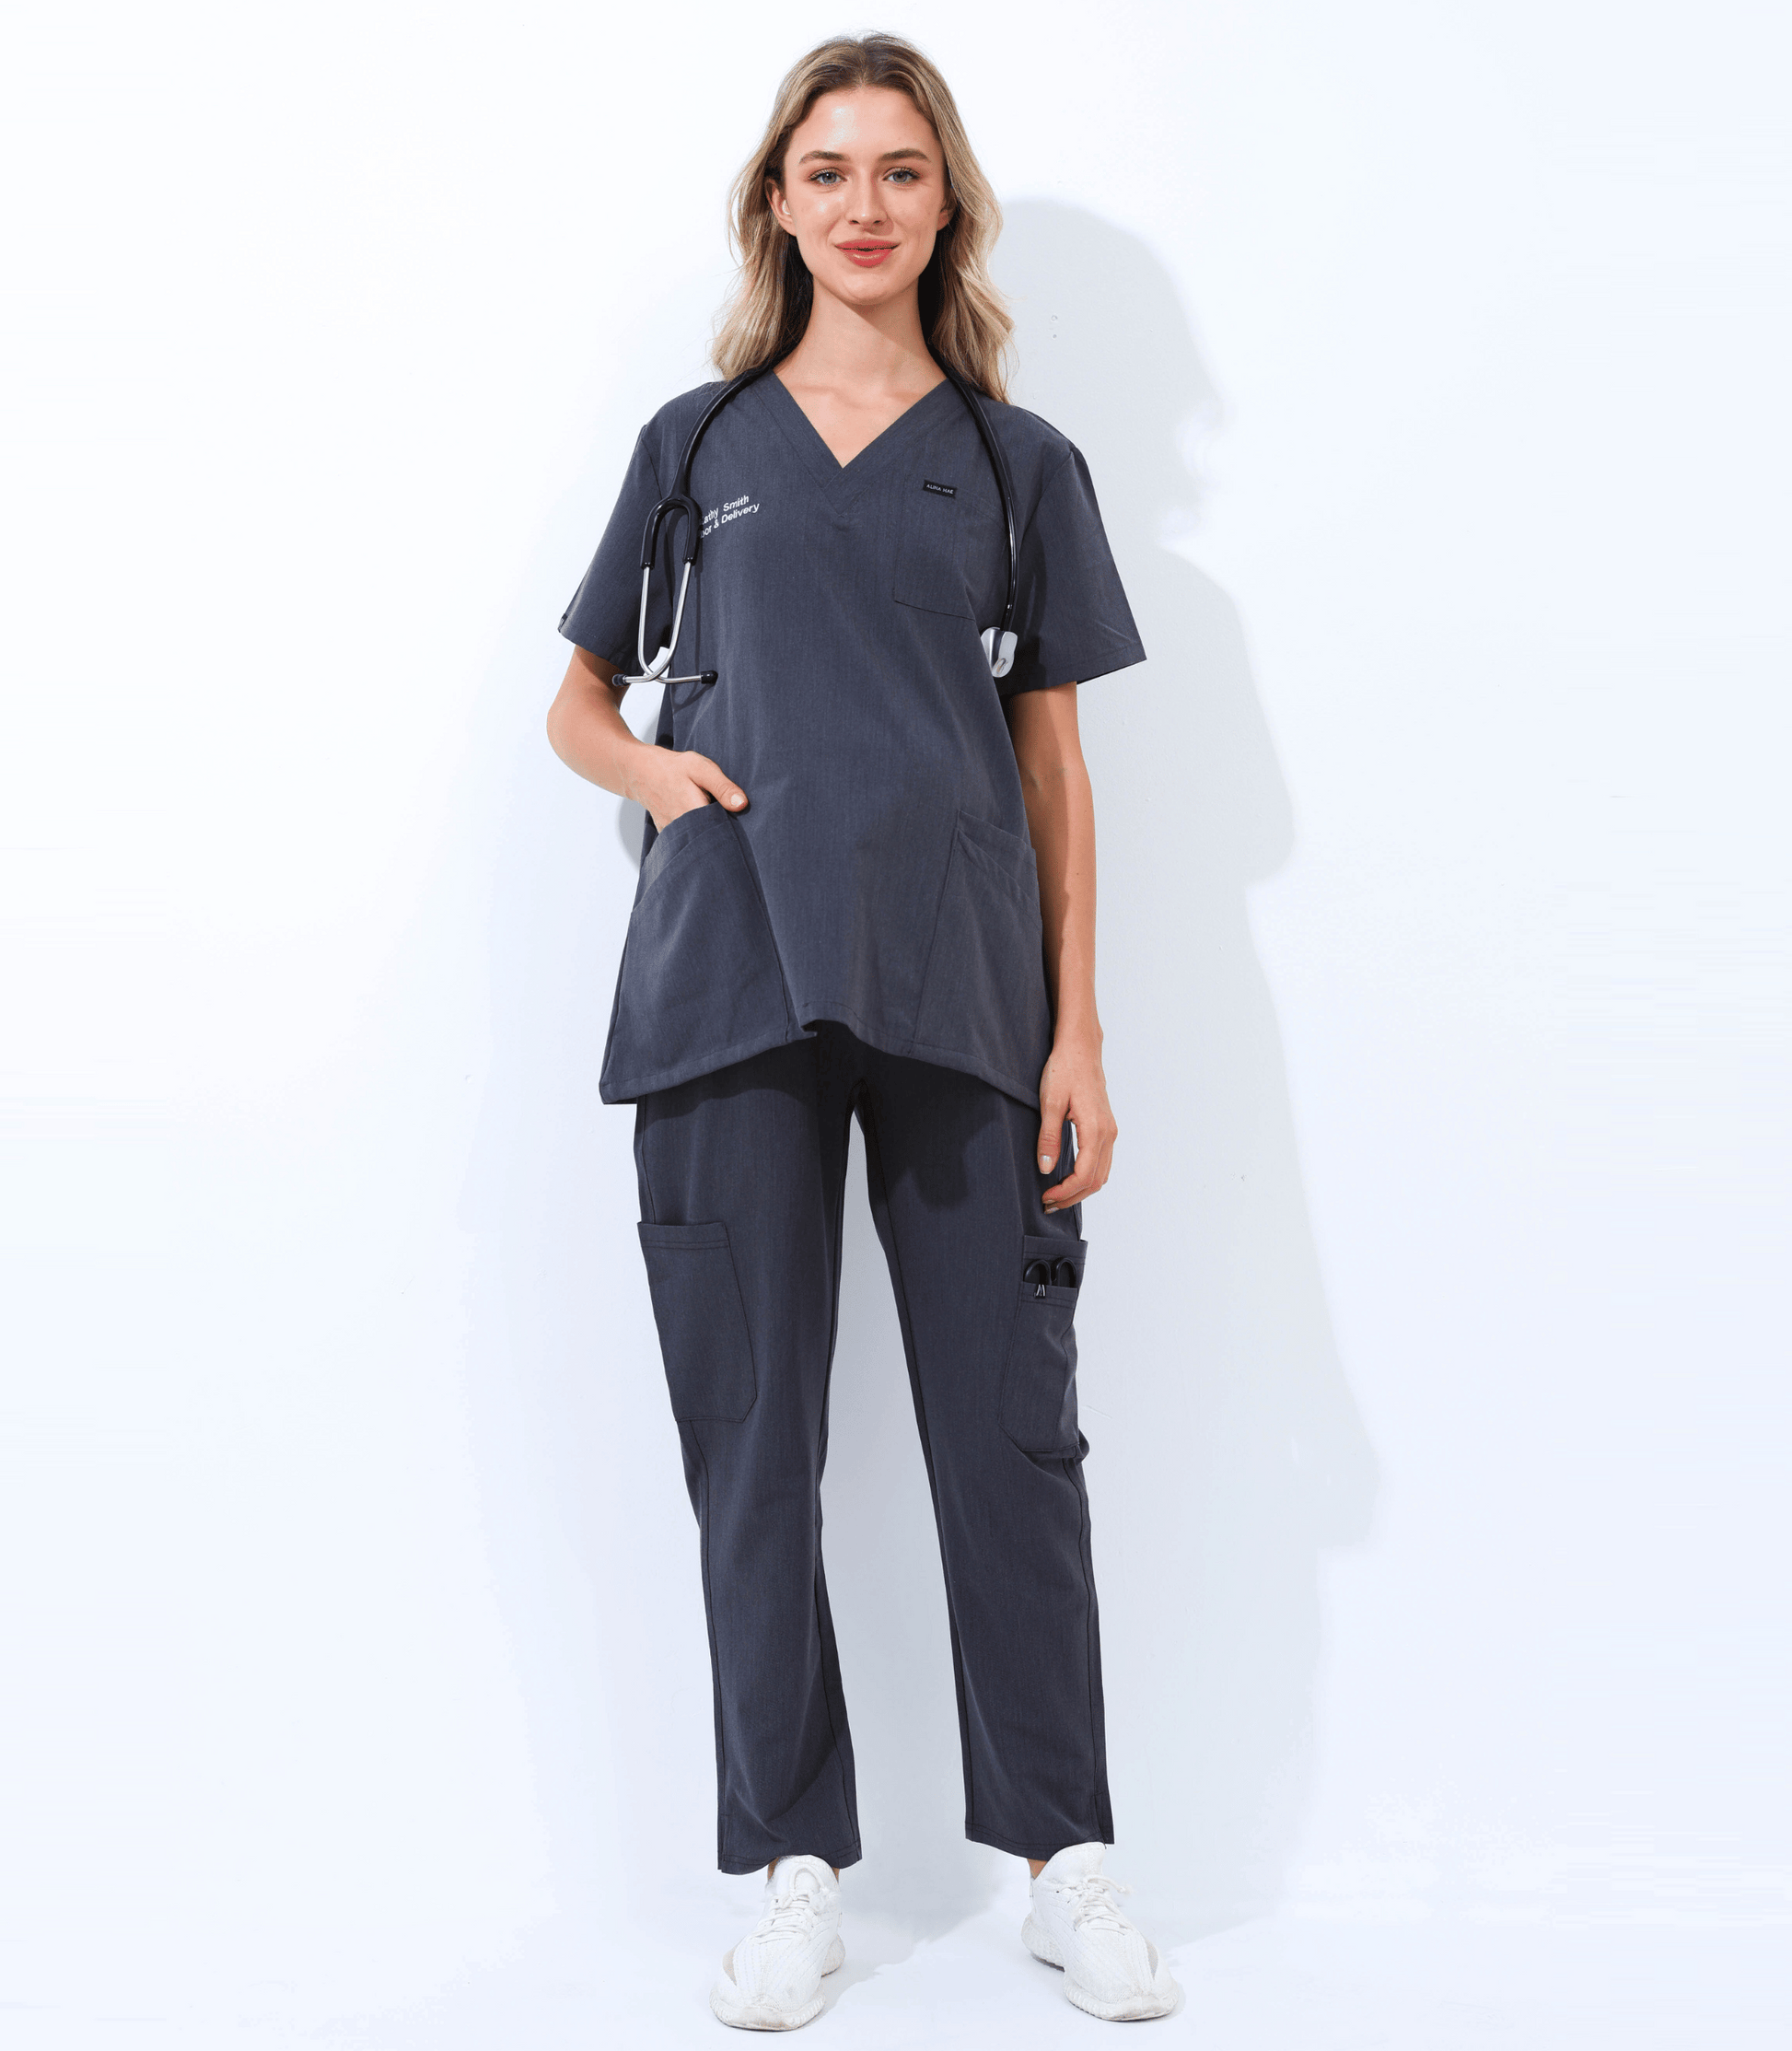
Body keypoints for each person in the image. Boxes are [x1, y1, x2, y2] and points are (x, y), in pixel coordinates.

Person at [546, 31, 1177, 2030]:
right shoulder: (695, 445)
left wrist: (1080, 1032)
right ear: (778, 203)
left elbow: (1055, 768)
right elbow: (576, 701)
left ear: (944, 201)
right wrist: (655, 777)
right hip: (725, 983)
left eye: (900, 170)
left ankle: (1064, 1862)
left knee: (1011, 1439)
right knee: (753, 1441)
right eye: (826, 170)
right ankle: (790, 1869)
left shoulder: (1014, 462)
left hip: (961, 991)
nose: (863, 204)